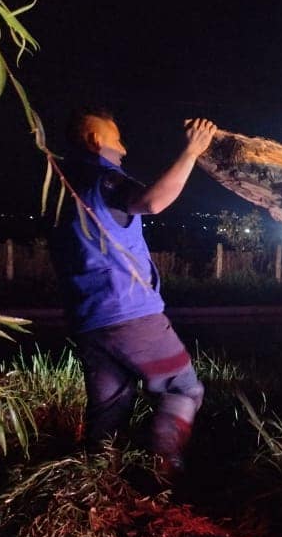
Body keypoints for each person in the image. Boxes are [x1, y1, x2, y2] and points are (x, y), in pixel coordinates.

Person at [50, 109, 217, 479]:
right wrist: (191, 152)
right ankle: (164, 473)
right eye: (116, 137)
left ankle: (94, 494)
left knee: (108, 416)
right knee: (185, 389)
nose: (123, 148)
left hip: (87, 320)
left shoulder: (63, 189)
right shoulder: (104, 180)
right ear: (95, 141)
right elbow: (153, 202)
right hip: (129, 314)